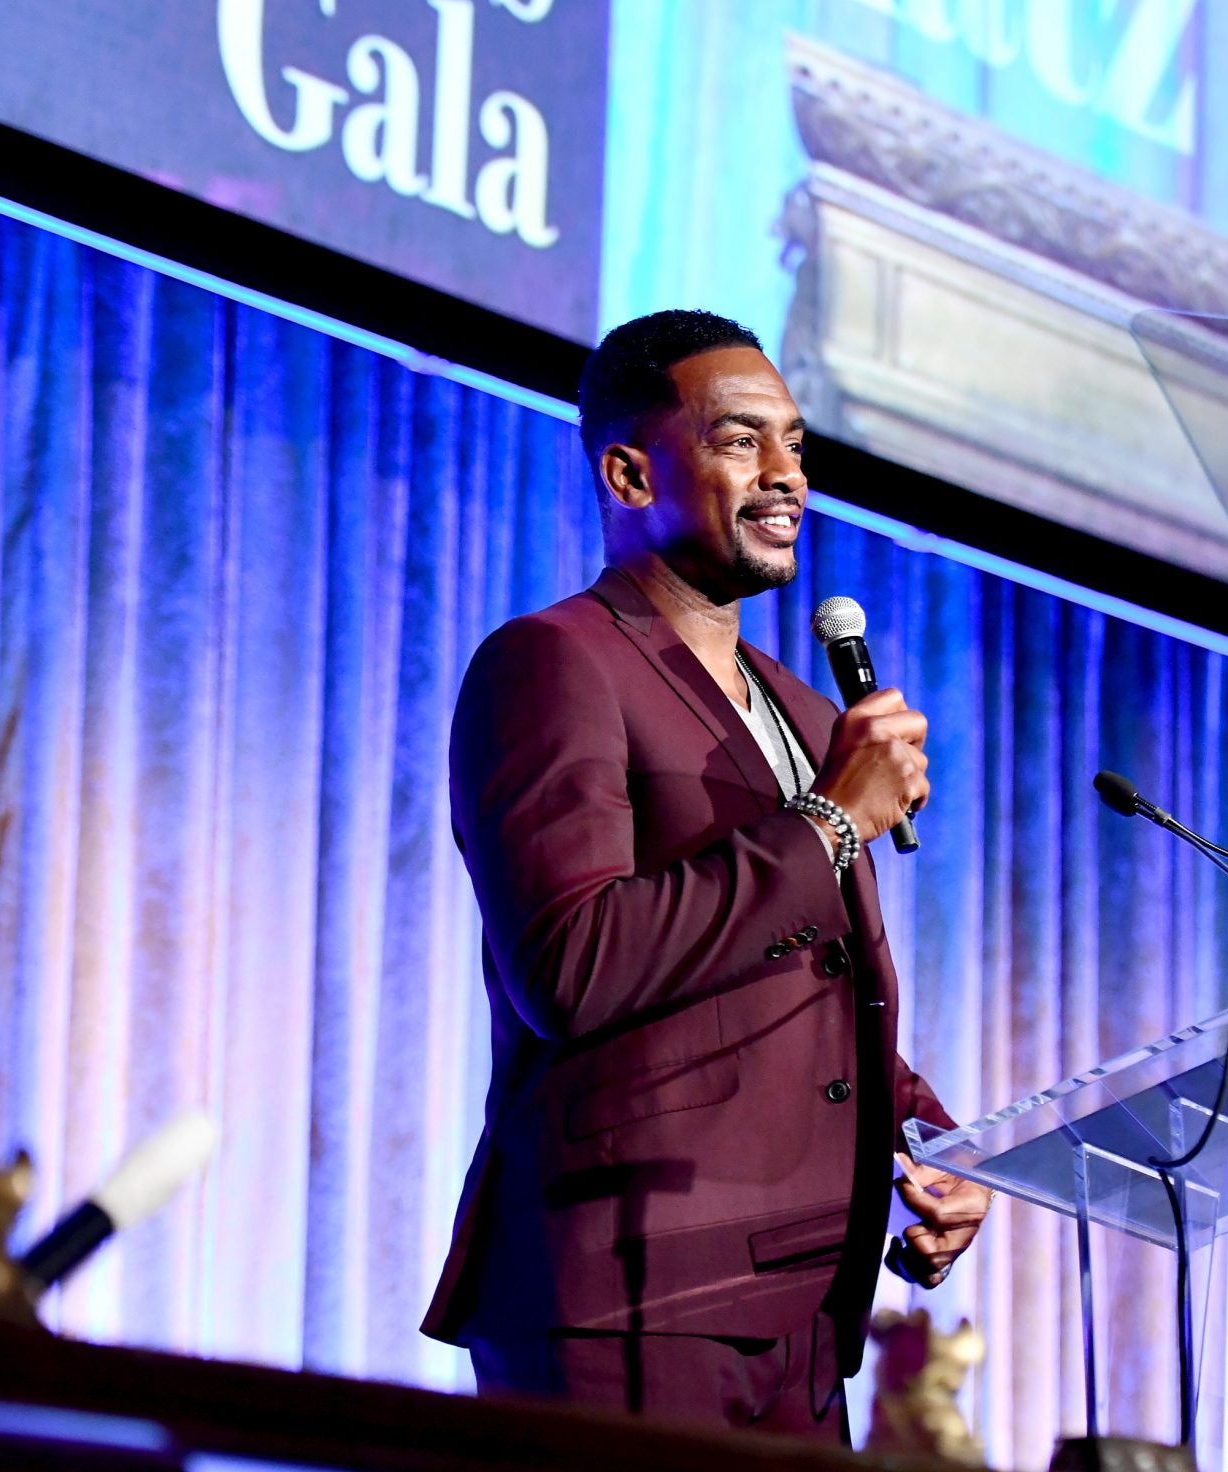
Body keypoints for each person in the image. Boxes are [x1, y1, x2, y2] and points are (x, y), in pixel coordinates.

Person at [421, 310, 990, 1441]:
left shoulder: (806, 711)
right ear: (630, 474)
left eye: (795, 444)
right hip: (628, 1288)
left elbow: (799, 992)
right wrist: (830, 818)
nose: (786, 473)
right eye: (740, 440)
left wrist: (928, 1145)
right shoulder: (554, 661)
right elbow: (571, 965)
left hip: (803, 1307)